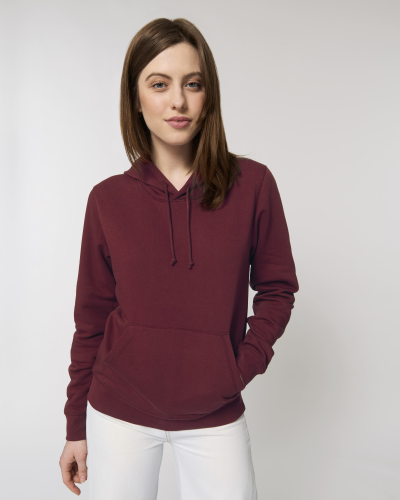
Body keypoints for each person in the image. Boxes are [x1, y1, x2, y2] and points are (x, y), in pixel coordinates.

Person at [59, 17, 299, 499]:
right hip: (119, 412)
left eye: (193, 84)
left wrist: (239, 367)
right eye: (159, 84)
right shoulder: (107, 199)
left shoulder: (253, 185)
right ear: (135, 98)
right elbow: (91, 319)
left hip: (215, 413)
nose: (178, 101)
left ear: (209, 94)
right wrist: (75, 425)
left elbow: (278, 289)